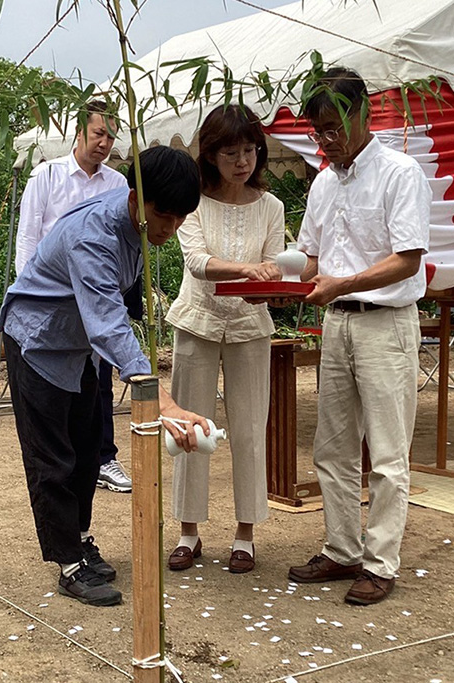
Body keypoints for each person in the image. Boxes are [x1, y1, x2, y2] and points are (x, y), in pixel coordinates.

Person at [0, 146, 211, 607]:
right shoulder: (93, 234)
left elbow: (119, 308)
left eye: (180, 220)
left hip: (81, 353)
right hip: (39, 343)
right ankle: (68, 565)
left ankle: (79, 539)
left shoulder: (138, 227)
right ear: (137, 198)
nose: (170, 230)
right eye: (164, 216)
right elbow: (107, 321)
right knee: (52, 458)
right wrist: (163, 401)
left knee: (88, 450)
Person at [287, 67, 431, 606]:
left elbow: (407, 259)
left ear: (363, 113)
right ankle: (342, 548)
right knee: (333, 446)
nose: (325, 141)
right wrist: (269, 276)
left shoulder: (400, 173)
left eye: (331, 128)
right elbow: (312, 260)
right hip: (336, 321)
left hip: (386, 323)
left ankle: (381, 561)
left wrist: (341, 282)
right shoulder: (324, 181)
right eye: (316, 132)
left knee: (389, 451)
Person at [164, 105, 284, 574]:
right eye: (231, 152)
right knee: (190, 426)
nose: (243, 161)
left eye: (251, 150)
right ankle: (188, 531)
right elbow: (196, 260)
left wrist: (268, 280)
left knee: (252, 428)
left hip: (251, 327)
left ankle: (246, 532)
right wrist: (247, 270)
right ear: (210, 154)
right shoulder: (193, 198)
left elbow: (275, 263)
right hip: (197, 320)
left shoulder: (271, 206)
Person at [13, 99, 135, 494]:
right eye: (99, 133)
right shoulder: (46, 176)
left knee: (97, 382)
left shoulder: (118, 185)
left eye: (111, 136)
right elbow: (28, 242)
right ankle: (69, 462)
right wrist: (33, 303)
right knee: (58, 394)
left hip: (98, 299)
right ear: (79, 131)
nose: (105, 143)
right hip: (52, 303)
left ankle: (104, 457)